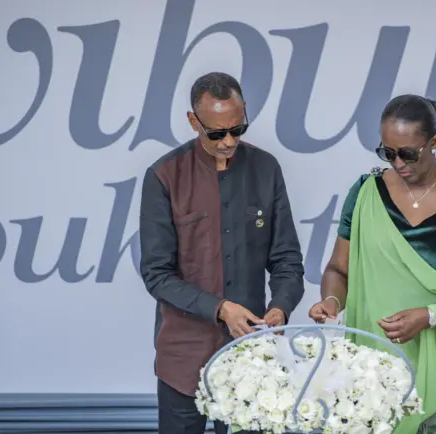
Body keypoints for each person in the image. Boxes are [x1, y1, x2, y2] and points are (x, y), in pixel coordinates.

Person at [309, 94, 436, 433]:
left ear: (434, 142)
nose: (397, 163)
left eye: (408, 153)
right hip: (377, 374)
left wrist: (431, 316)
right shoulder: (366, 193)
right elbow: (338, 270)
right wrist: (331, 301)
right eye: (387, 153)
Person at [140, 72, 305, 434]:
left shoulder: (266, 169)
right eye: (216, 133)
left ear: (244, 111)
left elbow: (287, 260)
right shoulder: (164, 176)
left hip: (251, 356)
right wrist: (220, 309)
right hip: (183, 358)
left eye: (237, 129)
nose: (228, 141)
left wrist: (281, 306)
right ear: (192, 121)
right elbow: (157, 274)